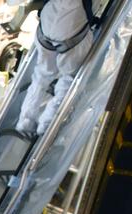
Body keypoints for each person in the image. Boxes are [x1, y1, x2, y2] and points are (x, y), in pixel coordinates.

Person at [15, 0, 97, 137]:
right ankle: (45, 125)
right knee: (69, 78)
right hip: (69, 33)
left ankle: (25, 121)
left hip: (46, 27)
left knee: (41, 76)